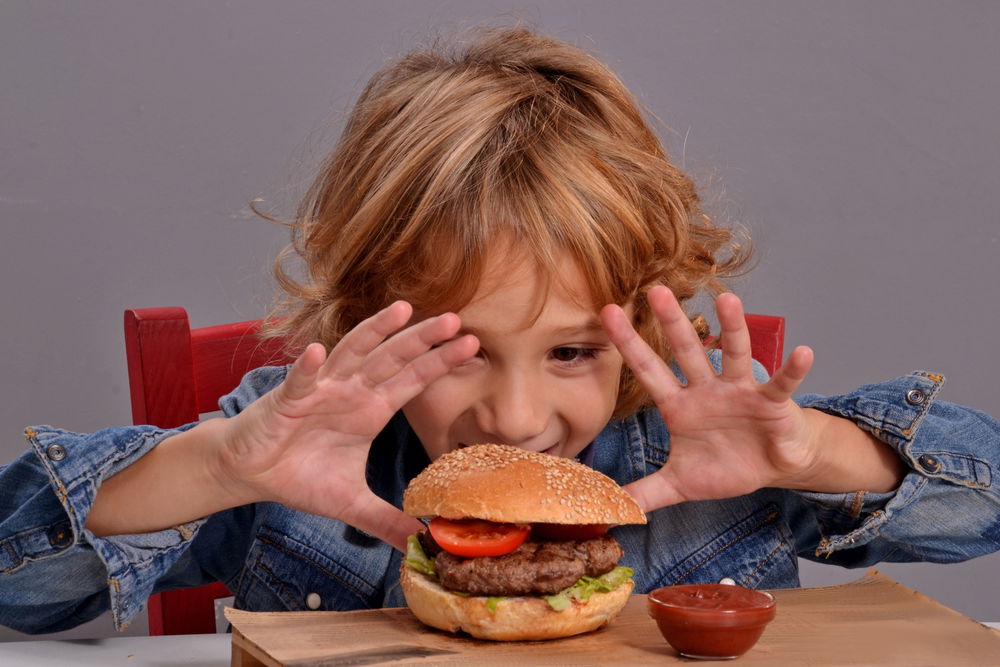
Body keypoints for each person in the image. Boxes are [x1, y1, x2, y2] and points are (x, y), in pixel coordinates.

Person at [2, 25, 998, 635]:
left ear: (647, 327)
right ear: (363, 319)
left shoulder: (709, 458)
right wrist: (217, 466)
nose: (516, 417)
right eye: (461, 347)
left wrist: (814, 451)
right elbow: (16, 586)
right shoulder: (298, 455)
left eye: (572, 350)